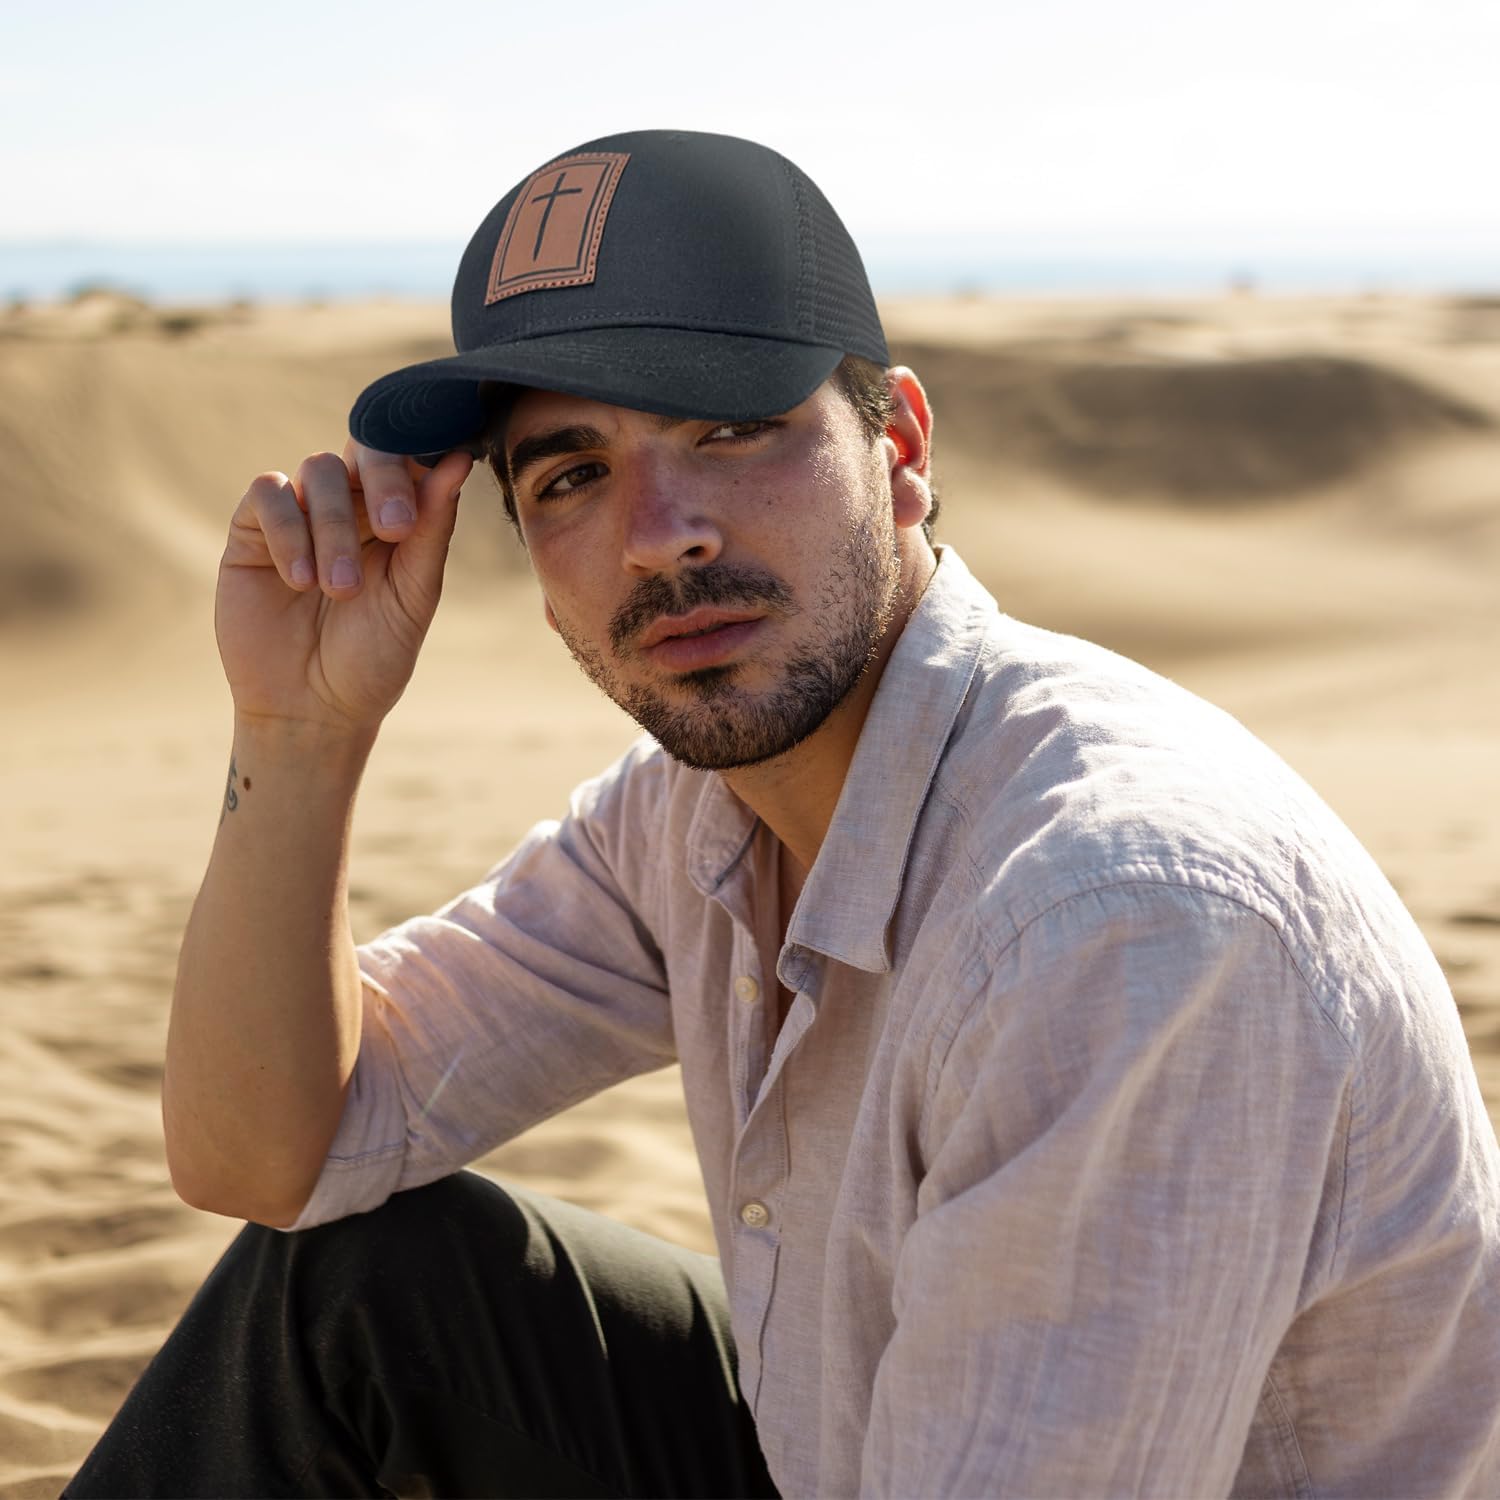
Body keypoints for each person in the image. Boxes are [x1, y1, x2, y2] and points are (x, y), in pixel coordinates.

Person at [68, 129, 1498, 1499]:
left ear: (902, 448)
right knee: (354, 1291)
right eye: (573, 474)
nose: (662, 533)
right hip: (849, 1454)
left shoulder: (1118, 926)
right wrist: (302, 734)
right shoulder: (697, 813)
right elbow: (269, 1155)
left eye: (734, 427)